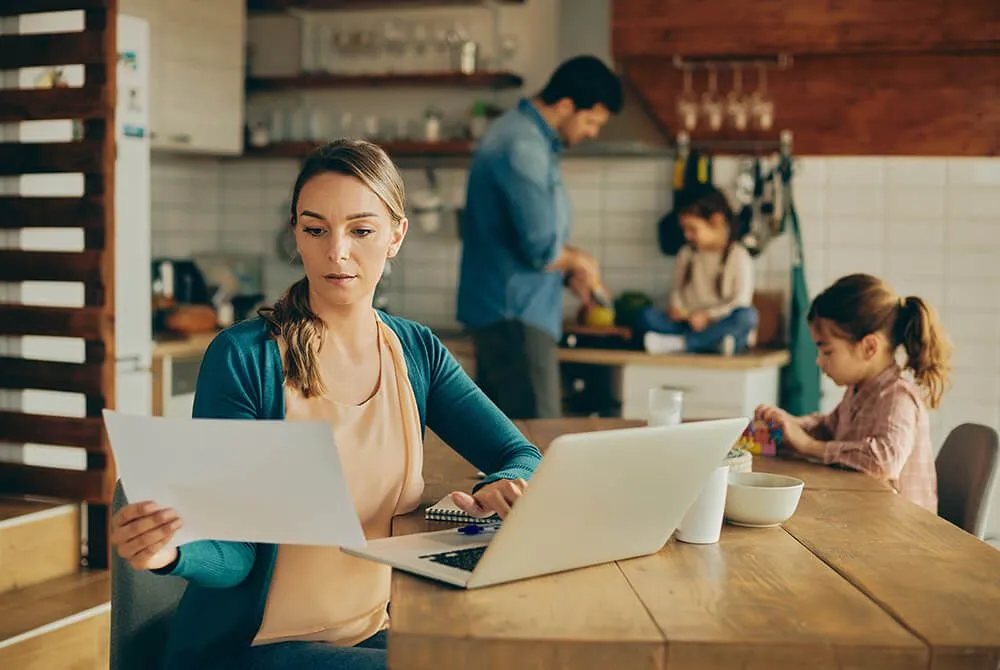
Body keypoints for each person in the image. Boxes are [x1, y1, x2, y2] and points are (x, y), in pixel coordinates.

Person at [109, 139, 542, 670]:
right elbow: (235, 549)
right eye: (316, 230)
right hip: (251, 649)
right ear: (296, 232)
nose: (336, 252)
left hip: (368, 632)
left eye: (361, 231)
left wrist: (502, 484)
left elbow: (521, 455)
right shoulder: (244, 358)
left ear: (396, 236)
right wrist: (169, 552)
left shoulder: (416, 351)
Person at [456, 54, 623, 420]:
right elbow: (541, 247)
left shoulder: (526, 138)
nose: (592, 133)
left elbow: (530, 239)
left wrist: (569, 269)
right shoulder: (523, 146)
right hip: (515, 320)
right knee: (534, 440)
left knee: (512, 440)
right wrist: (581, 261)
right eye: (591, 121)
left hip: (511, 316)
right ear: (565, 105)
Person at [756, 273, 952, 512]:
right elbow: (829, 427)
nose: (819, 361)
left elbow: (883, 461)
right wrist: (790, 424)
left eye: (827, 352)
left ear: (869, 347)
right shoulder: (859, 390)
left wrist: (808, 445)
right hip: (865, 514)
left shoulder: (897, 397)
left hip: (901, 527)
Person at [637, 184, 758, 355]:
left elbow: (740, 301)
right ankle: (709, 344)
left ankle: (682, 344)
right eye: (685, 230)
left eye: (693, 229)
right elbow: (677, 291)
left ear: (716, 221)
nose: (687, 236)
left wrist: (708, 316)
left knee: (747, 316)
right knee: (646, 316)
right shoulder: (686, 254)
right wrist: (678, 309)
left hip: (719, 323)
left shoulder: (739, 256)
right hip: (688, 324)